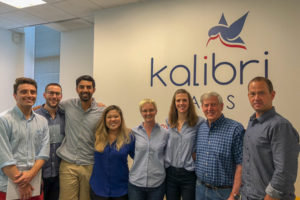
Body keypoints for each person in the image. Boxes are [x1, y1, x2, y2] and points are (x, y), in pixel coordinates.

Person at [241, 76, 299, 200]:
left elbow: (285, 171)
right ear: (248, 97)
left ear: (272, 95)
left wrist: (270, 197)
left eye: (261, 93)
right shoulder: (252, 122)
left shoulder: (280, 126)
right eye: (252, 94)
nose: (256, 98)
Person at [56, 75, 105, 200]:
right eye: (81, 87)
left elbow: (115, 124)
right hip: (68, 164)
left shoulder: (101, 110)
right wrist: (30, 110)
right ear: (77, 89)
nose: (85, 90)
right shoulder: (67, 104)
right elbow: (49, 106)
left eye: (89, 87)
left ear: (93, 89)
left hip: (89, 164)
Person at [0, 77, 49, 200]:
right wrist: (22, 183)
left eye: (32, 92)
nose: (29, 95)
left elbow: (43, 153)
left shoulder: (42, 121)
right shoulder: (3, 120)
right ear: (15, 95)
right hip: (8, 186)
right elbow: (3, 156)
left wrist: (30, 176)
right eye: (23, 92)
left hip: (35, 185)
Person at [195, 92, 245, 200]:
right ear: (202, 107)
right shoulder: (200, 128)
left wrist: (234, 195)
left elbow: (241, 164)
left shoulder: (235, 129)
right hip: (200, 189)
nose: (209, 108)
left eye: (213, 104)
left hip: (224, 193)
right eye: (206, 105)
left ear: (221, 106)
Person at [165, 88, 205, 200]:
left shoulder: (199, 122)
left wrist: (196, 155)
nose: (181, 103)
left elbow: (206, 141)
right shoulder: (168, 122)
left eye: (184, 100)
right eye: (178, 101)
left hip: (189, 174)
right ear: (174, 103)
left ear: (189, 103)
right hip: (170, 173)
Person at [90, 105, 135, 200]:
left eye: (116, 116)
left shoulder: (129, 137)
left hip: (121, 189)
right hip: (98, 189)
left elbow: (138, 158)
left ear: (121, 118)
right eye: (109, 117)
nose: (113, 119)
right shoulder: (97, 135)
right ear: (105, 120)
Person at [128, 99, 169, 200]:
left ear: (156, 111)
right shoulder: (134, 132)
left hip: (157, 184)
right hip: (136, 183)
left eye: (151, 110)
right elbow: (131, 152)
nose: (148, 113)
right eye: (144, 111)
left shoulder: (165, 133)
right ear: (141, 112)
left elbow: (166, 155)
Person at [35, 83, 65, 200]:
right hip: (39, 173)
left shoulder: (65, 115)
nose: (54, 96)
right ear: (44, 95)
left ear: (61, 96)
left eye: (57, 93)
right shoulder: (35, 116)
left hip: (59, 172)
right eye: (50, 93)